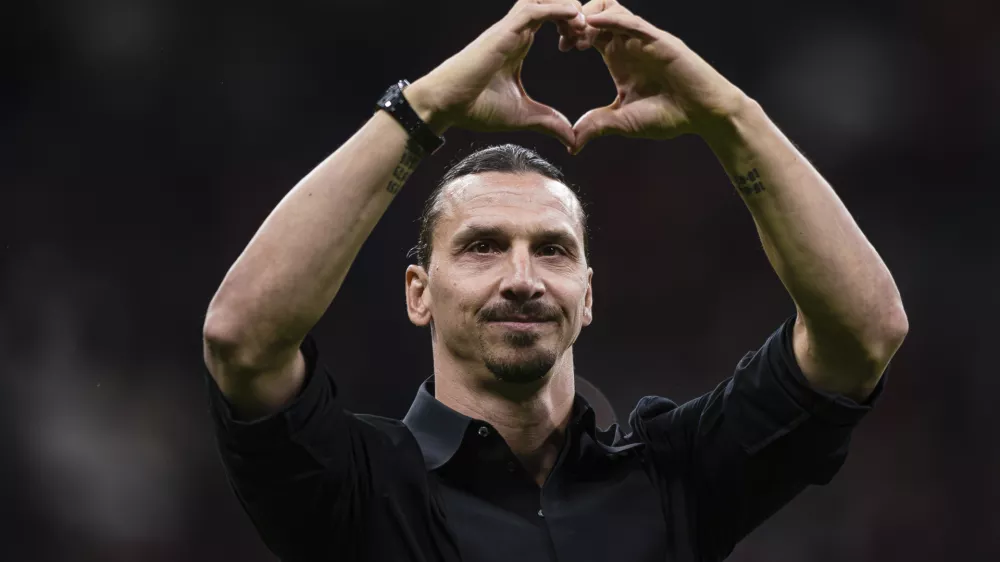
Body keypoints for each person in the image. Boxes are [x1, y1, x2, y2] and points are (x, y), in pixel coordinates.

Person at [201, 1, 908, 560]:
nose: (522, 278)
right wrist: (426, 109)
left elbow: (864, 330)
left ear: (589, 294)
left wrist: (728, 118)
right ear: (418, 292)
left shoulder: (674, 479)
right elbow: (242, 337)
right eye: (482, 247)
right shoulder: (359, 488)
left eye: (552, 250)